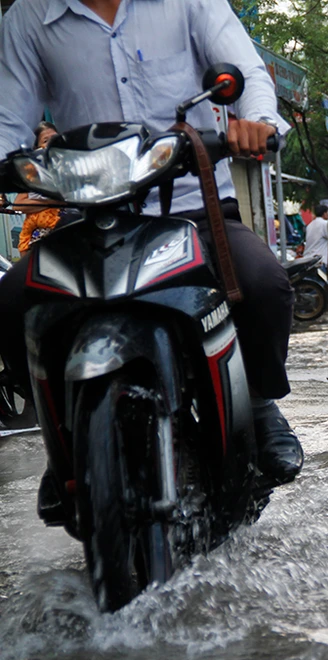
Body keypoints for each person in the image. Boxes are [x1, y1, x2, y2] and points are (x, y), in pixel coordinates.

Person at [0, 0, 303, 504]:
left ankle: (260, 404)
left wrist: (255, 121)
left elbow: (246, 72)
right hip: (90, 218)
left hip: (194, 207)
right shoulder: (30, 17)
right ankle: (62, 442)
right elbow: (8, 116)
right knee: (11, 304)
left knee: (265, 284)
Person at [14, 122, 63, 253]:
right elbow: (18, 205)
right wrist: (52, 202)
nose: (51, 143)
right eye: (46, 140)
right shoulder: (33, 172)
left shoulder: (73, 165)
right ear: (37, 148)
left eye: (55, 138)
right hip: (41, 235)